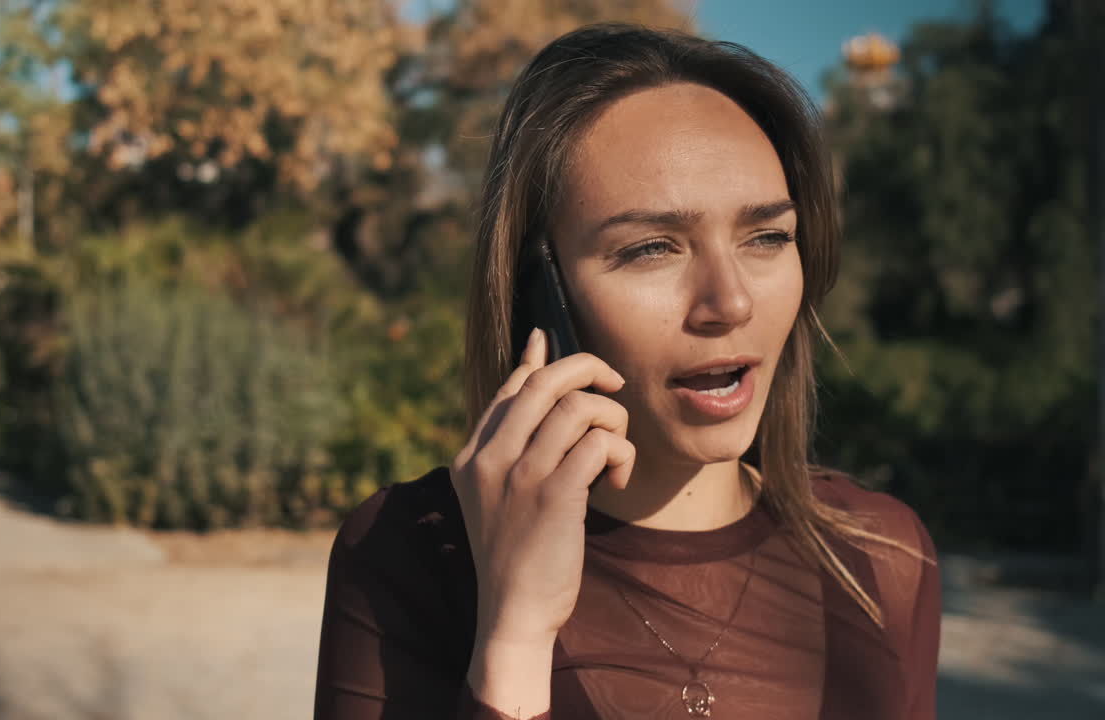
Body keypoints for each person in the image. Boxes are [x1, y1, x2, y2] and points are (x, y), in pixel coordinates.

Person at [314, 24, 940, 720]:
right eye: (650, 249)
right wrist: (514, 635)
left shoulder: (882, 556)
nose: (730, 302)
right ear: (538, 293)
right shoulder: (411, 553)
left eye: (767, 236)